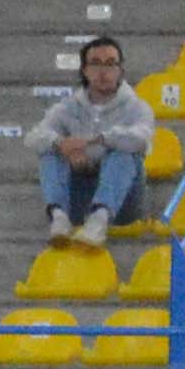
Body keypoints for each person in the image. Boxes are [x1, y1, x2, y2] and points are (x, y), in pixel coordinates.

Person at [29, 37, 154, 248]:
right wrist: (64, 145)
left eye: (110, 64)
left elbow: (141, 139)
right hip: (79, 196)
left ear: (120, 70)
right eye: (96, 64)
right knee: (50, 149)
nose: (103, 71)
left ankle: (99, 220)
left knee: (123, 151)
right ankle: (59, 217)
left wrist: (92, 142)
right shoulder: (68, 106)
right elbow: (34, 136)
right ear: (85, 70)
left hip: (123, 203)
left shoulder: (137, 107)